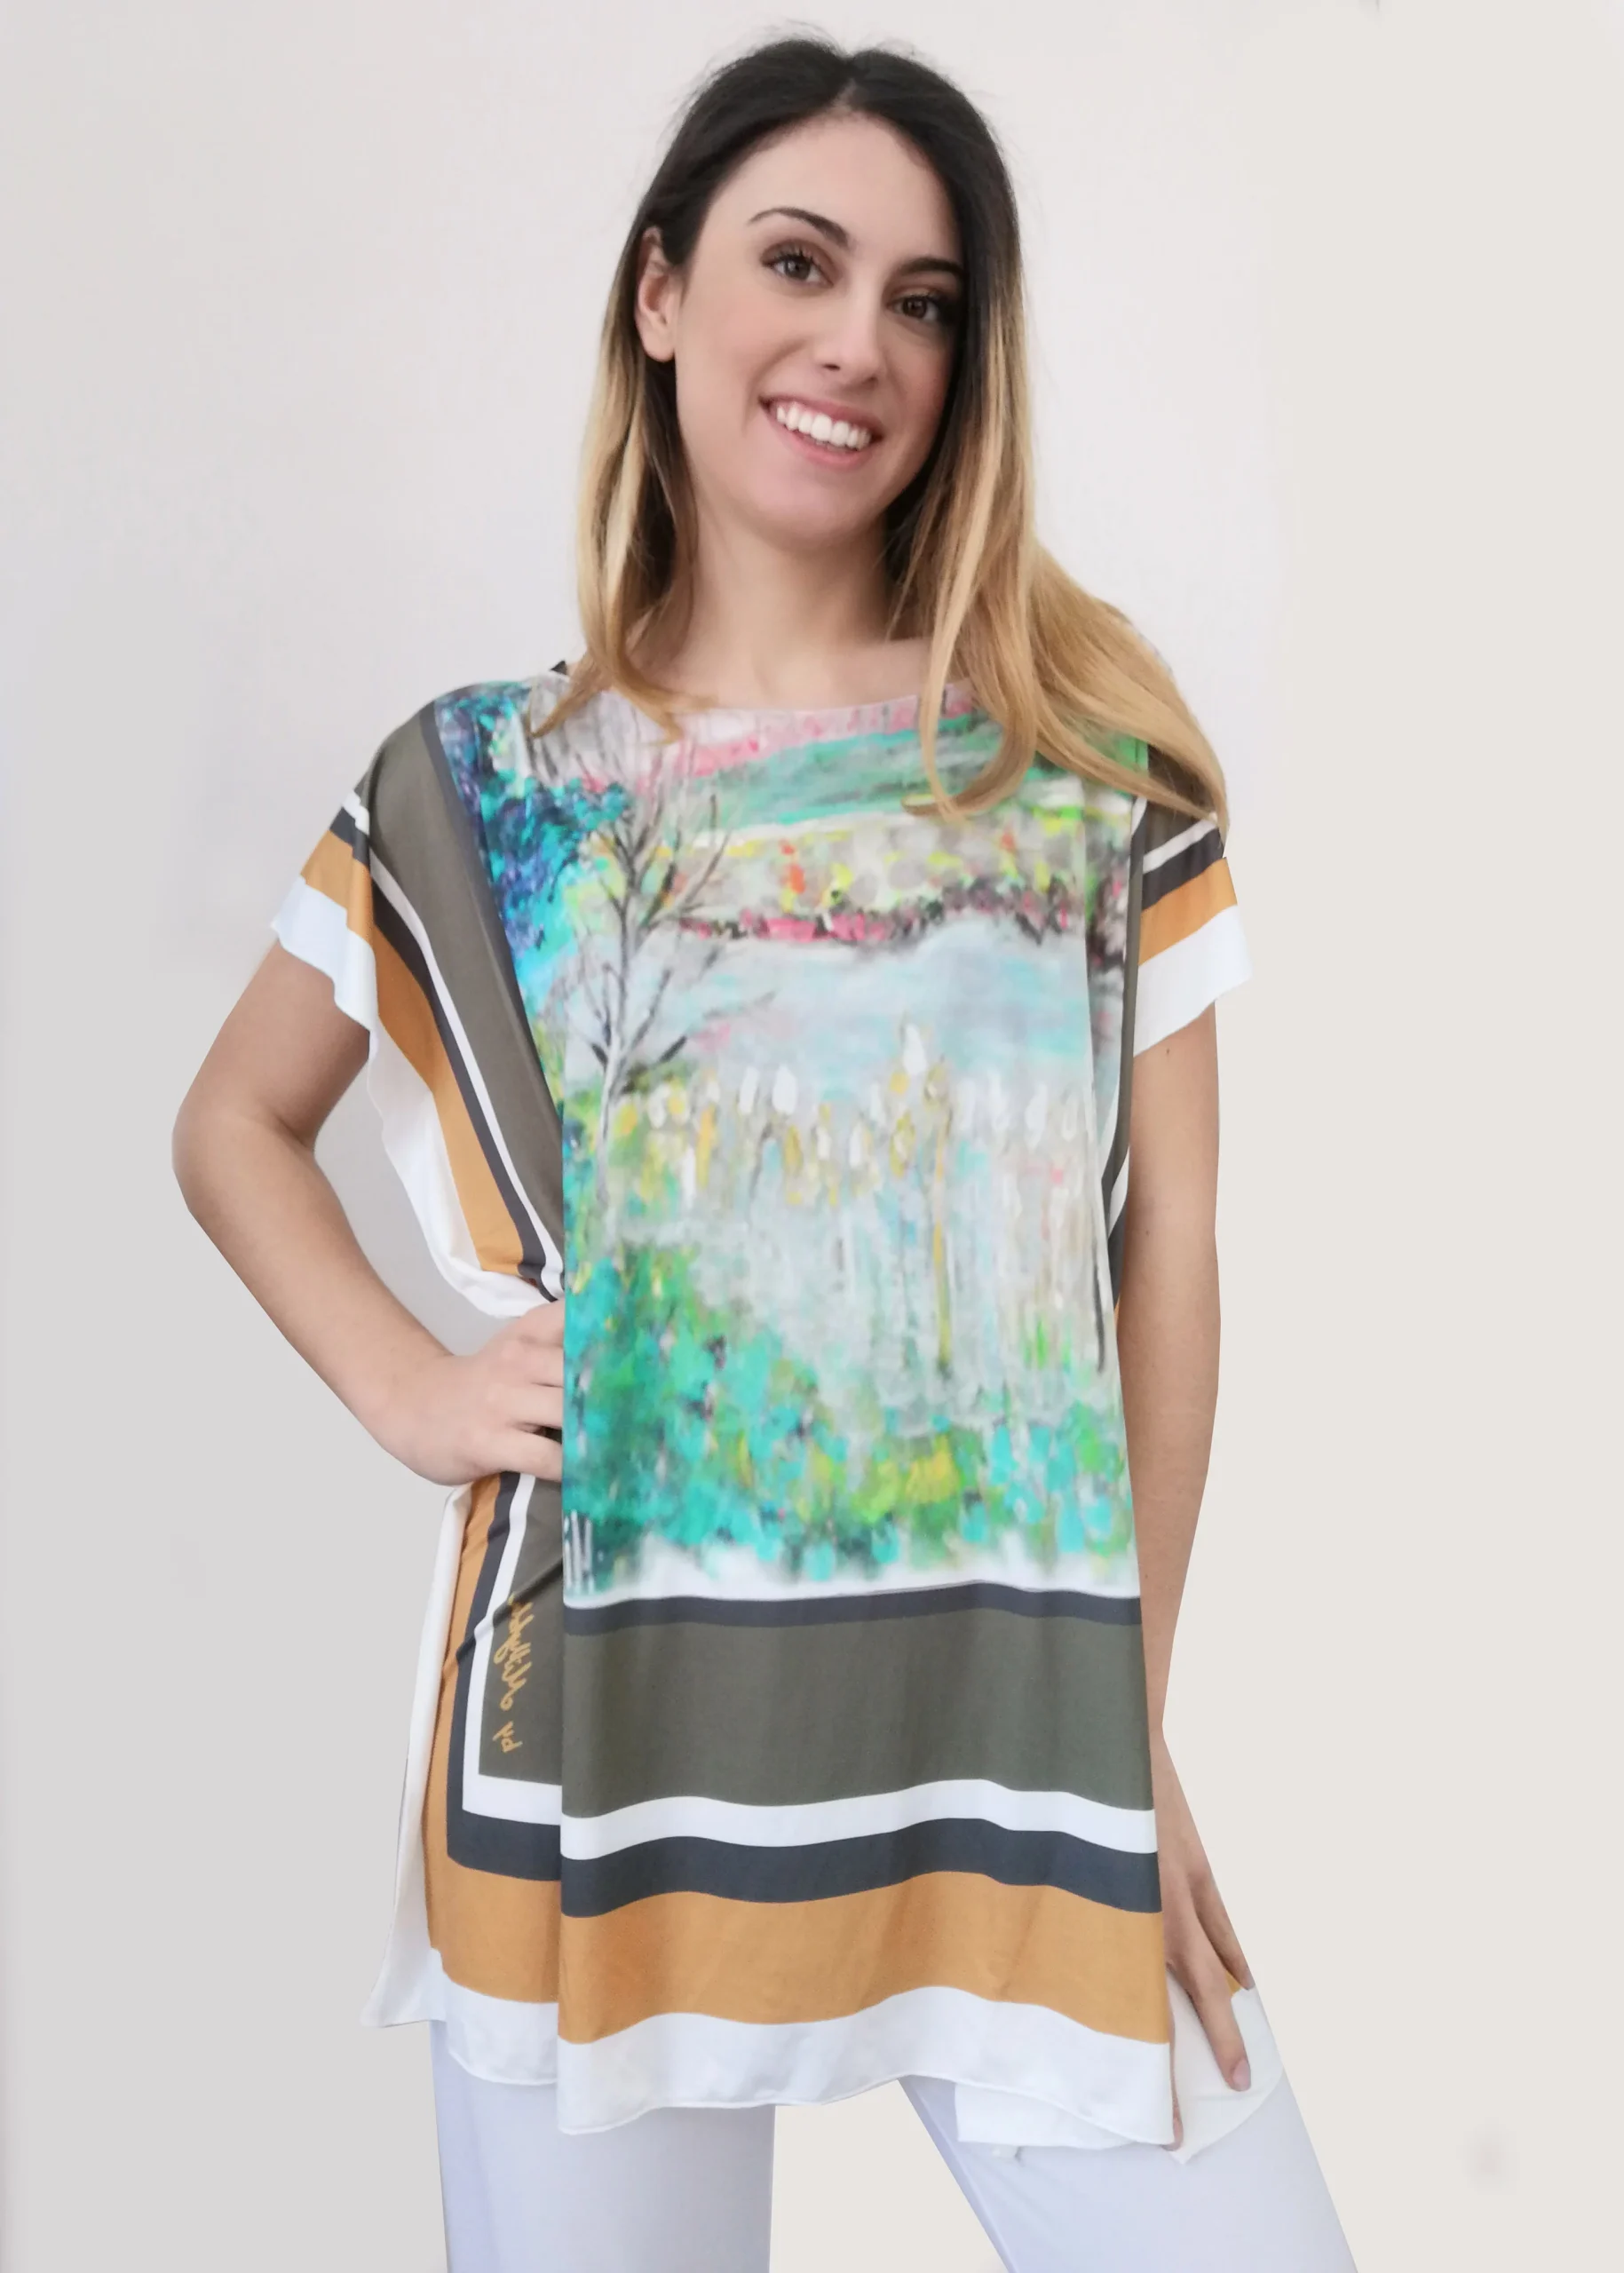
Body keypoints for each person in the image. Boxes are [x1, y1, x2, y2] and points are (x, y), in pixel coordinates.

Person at [171, 33, 1356, 2273]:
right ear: (659, 296)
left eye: (923, 300)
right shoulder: (482, 787)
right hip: (594, 1765)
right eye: (796, 264)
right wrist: (413, 1389)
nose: (856, 345)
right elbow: (234, 1119)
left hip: (1009, 1755)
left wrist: (1126, 1729)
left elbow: (1169, 1259)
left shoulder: (1085, 764)